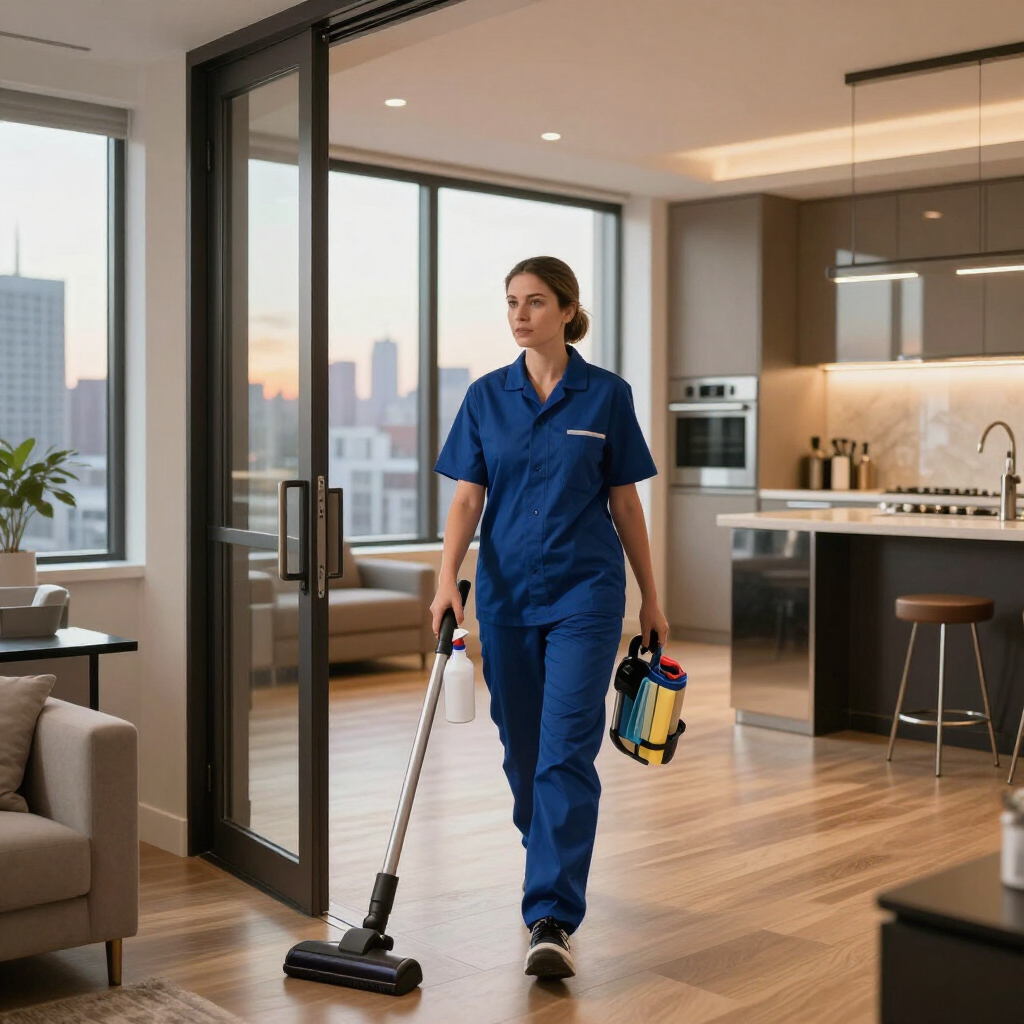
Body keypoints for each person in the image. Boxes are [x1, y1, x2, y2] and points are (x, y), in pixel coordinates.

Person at [430, 255, 667, 981]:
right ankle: (550, 853)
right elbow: (469, 498)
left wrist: (651, 598)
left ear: (567, 309)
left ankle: (551, 915)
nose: (520, 315)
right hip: (503, 597)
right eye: (510, 303)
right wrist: (446, 581)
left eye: (535, 302)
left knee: (567, 748)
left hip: (586, 596)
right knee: (523, 751)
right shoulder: (485, 397)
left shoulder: (607, 396)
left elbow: (625, 501)